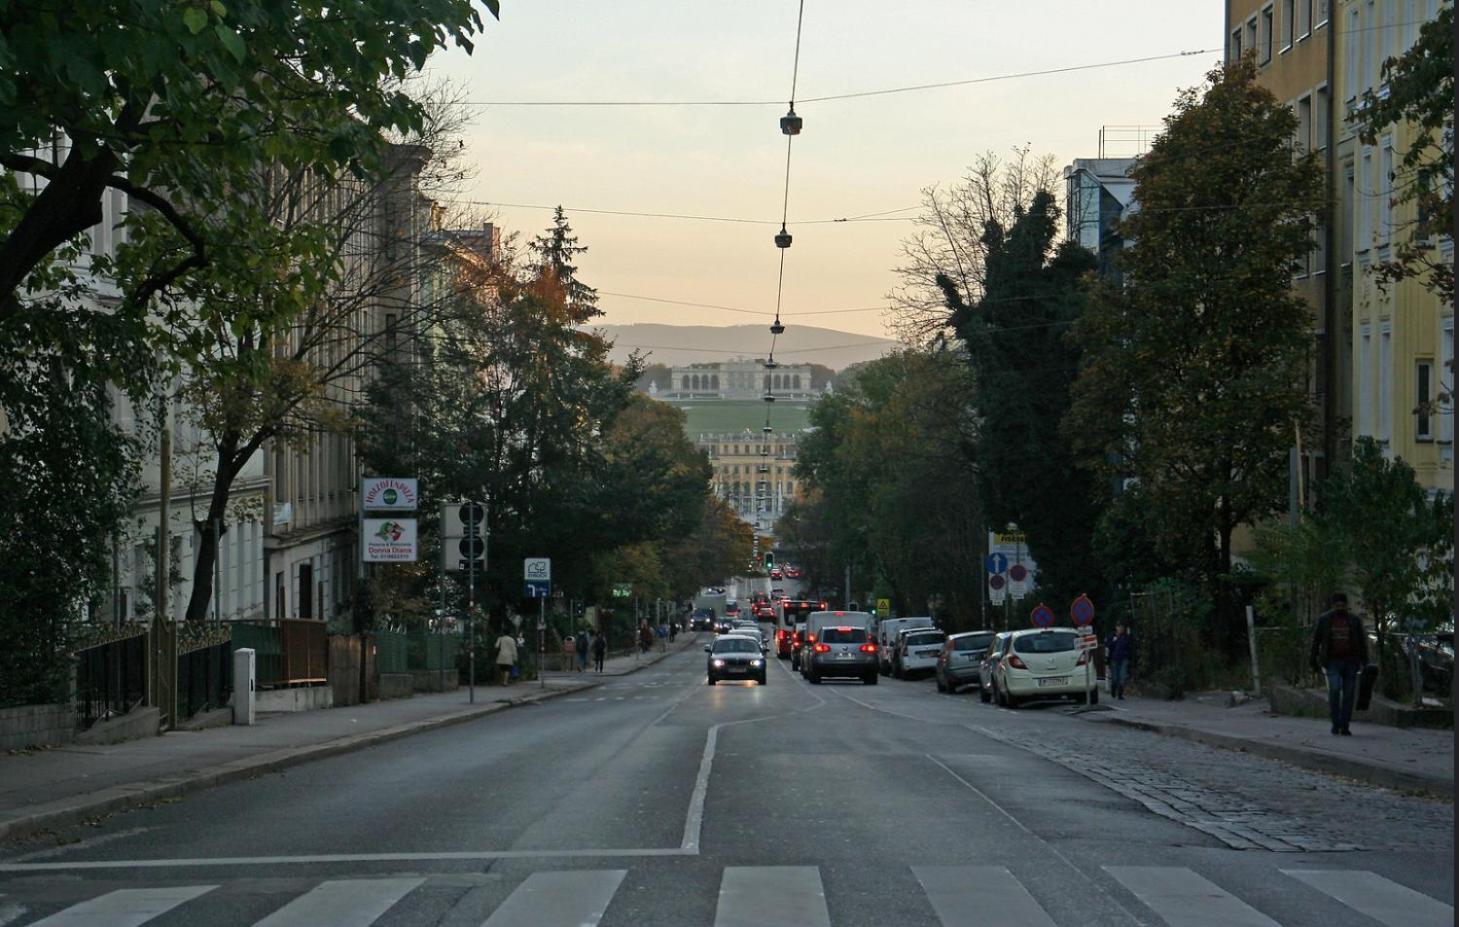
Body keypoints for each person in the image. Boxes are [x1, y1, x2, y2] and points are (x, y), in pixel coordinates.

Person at [1310, 592, 1368, 735]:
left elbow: (1361, 642)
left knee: (1349, 694)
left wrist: (1364, 661)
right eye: (1337, 606)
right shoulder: (1325, 620)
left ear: (1346, 606)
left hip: (1351, 661)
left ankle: (1345, 724)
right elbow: (1316, 640)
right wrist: (1313, 659)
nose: (1340, 608)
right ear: (1333, 606)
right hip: (1332, 661)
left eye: (1342, 605)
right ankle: (1336, 722)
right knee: (1334, 690)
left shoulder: (1354, 621)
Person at [1105, 623, 1135, 700]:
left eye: (1122, 627)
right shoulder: (1111, 636)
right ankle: (1113, 689)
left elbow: (1129, 646)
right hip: (1114, 659)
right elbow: (1108, 646)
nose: (1121, 629)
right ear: (1116, 627)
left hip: (1123, 659)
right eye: (1119, 627)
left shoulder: (1125, 637)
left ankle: (1120, 694)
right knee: (1115, 677)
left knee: (1122, 677)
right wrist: (1114, 641)